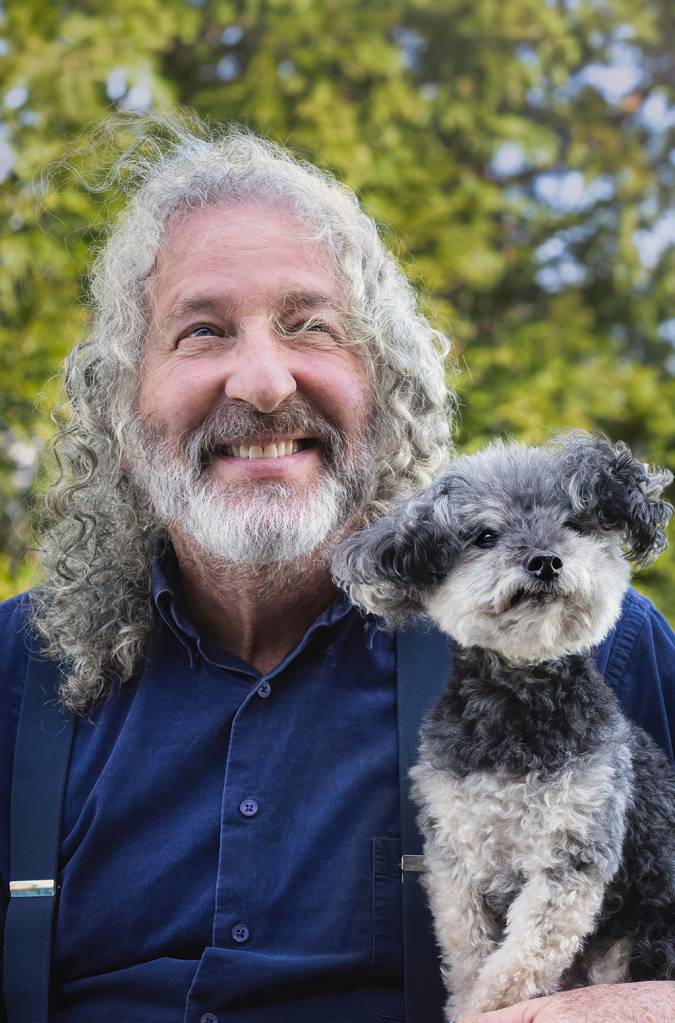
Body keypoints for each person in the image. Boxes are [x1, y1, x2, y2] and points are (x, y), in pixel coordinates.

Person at [1, 119, 673, 1023]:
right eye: (202, 331)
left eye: (308, 325)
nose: (264, 383)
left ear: (386, 388)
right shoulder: (14, 669)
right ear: (126, 410)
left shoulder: (591, 647)